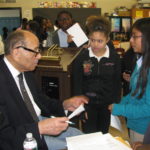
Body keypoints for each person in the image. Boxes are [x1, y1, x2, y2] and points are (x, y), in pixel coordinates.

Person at [0, 30, 88, 150]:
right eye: (35, 51)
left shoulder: (26, 69)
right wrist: (39, 129)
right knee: (76, 146)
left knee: (80, 137)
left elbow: (40, 99)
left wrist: (64, 104)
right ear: (16, 51)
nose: (40, 56)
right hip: (23, 135)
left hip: (37, 120)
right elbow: (4, 134)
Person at [72, 16, 121, 134]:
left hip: (107, 106)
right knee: (89, 136)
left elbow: (117, 84)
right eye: (92, 40)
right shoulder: (82, 58)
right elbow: (77, 84)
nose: (95, 44)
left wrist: (115, 105)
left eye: (100, 41)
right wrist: (81, 108)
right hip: (88, 105)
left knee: (103, 135)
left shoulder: (114, 58)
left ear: (107, 39)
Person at [109, 18, 150, 143]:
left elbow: (147, 108)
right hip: (134, 123)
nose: (131, 40)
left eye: (135, 36)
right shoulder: (140, 62)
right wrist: (121, 103)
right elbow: (135, 94)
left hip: (144, 129)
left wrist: (119, 109)